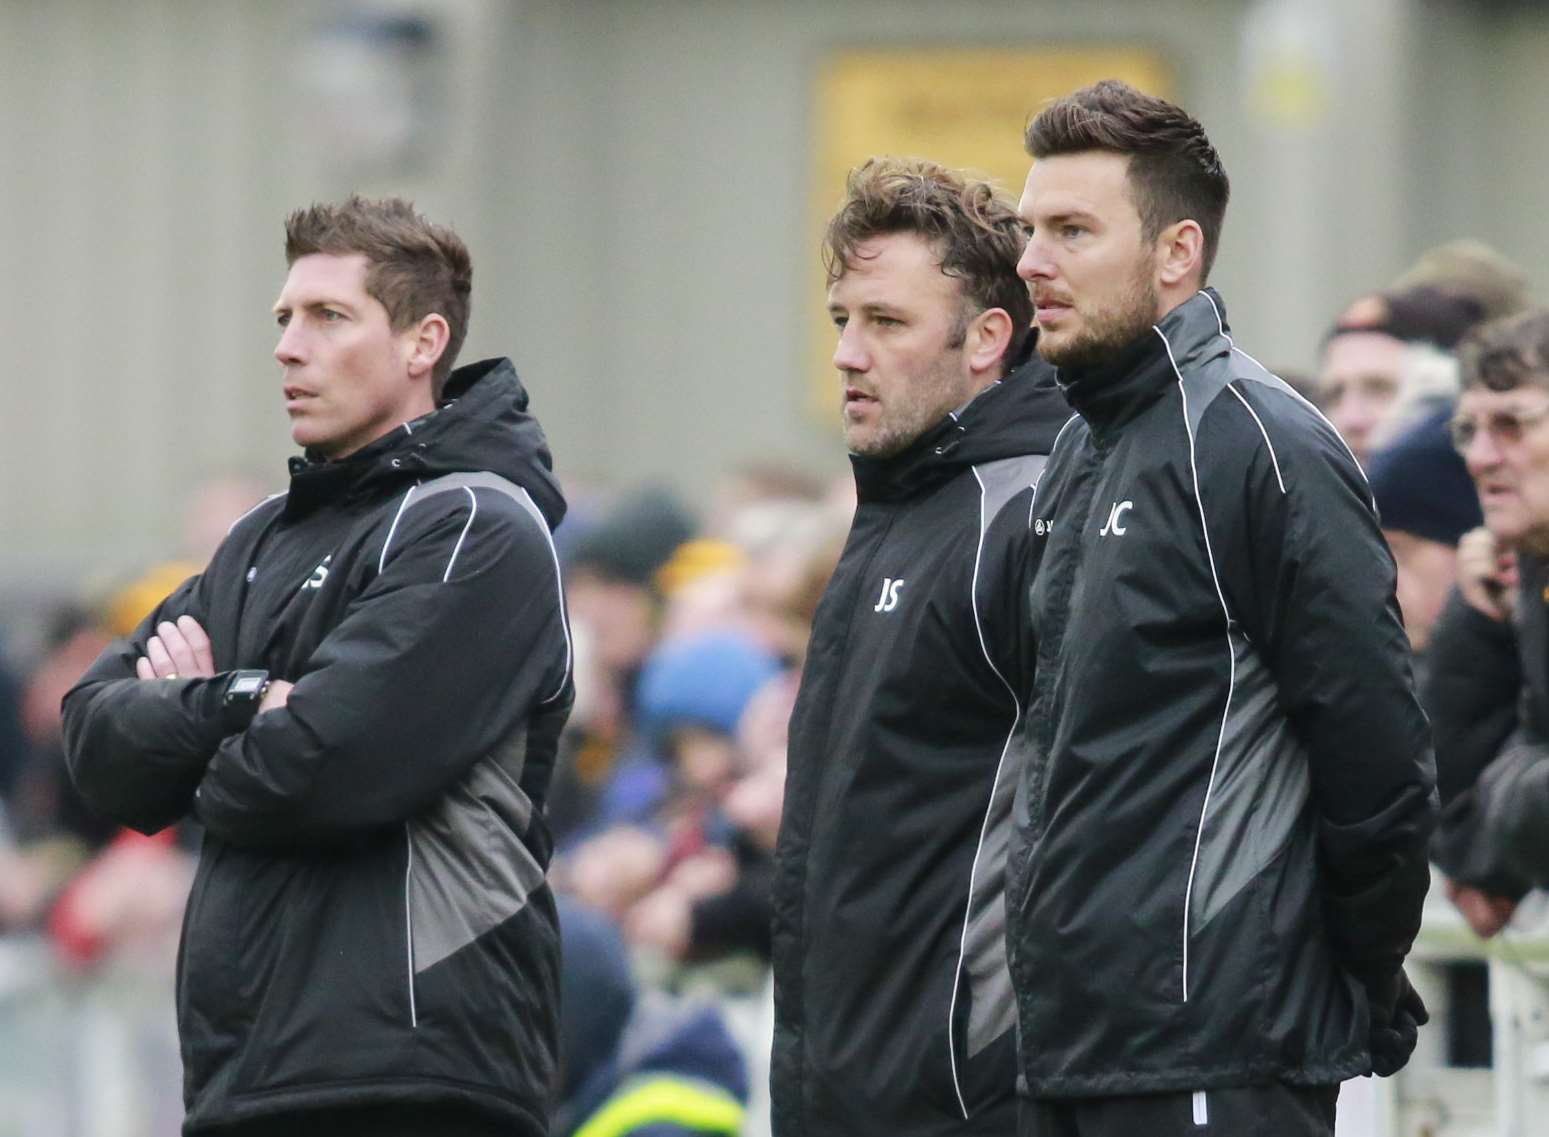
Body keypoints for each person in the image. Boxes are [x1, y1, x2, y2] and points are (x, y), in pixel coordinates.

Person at [61, 196, 572, 1137]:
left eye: (329, 317)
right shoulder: (260, 536)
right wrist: (242, 699)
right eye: (285, 318)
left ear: (423, 344)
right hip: (248, 1068)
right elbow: (95, 740)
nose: (289, 346)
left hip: (413, 1071)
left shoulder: (475, 525)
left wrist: (187, 721)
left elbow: (312, 769)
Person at [1008, 81, 1436, 1136]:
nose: (1030, 263)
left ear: (1175, 254)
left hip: (1219, 1047)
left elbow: (1376, 755)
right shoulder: (1077, 449)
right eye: (1028, 231)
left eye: (1070, 230)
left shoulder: (1260, 443)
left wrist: (1349, 974)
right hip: (1072, 1048)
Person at [770, 156, 1067, 1137]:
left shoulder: (1030, 516)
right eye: (841, 321)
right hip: (847, 1095)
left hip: (970, 1098)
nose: (849, 354)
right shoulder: (899, 508)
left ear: (987, 339)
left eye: (885, 323)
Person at [1429, 310, 1549, 931]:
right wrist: (1476, 620)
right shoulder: (1528, 565)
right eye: (1468, 430)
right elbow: (1444, 821)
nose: (1479, 457)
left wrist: (1501, 818)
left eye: (1511, 426)